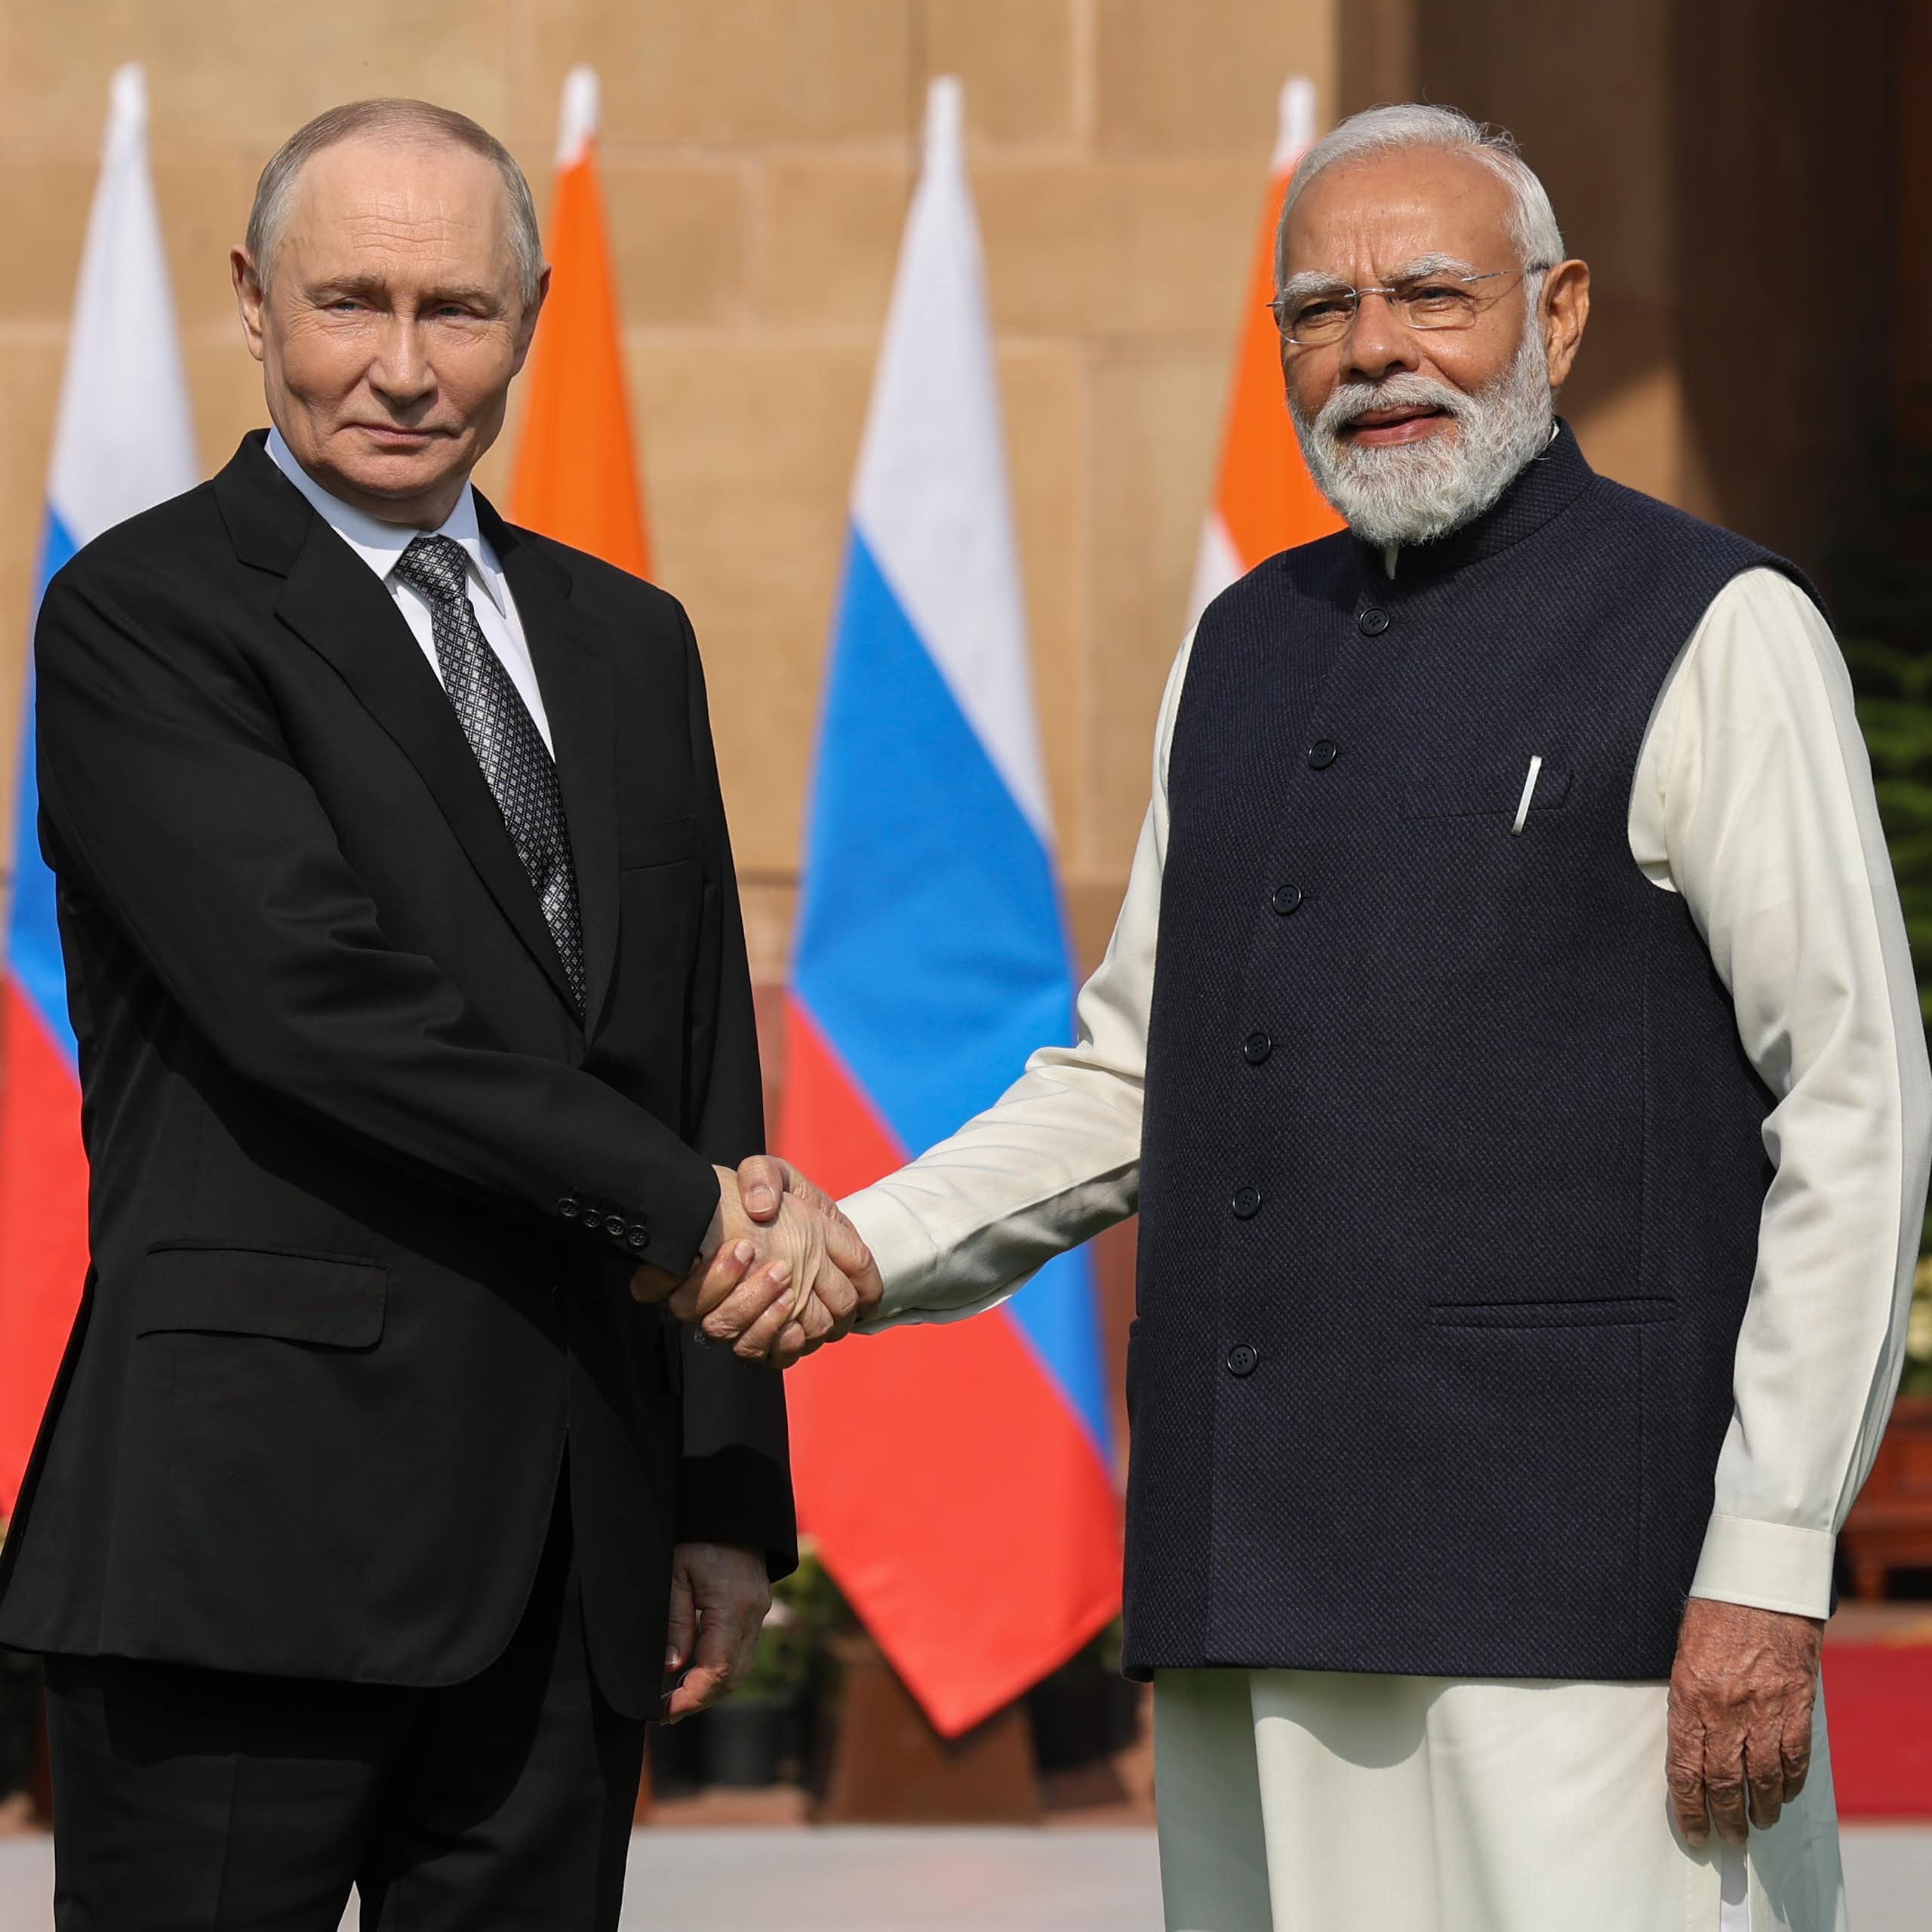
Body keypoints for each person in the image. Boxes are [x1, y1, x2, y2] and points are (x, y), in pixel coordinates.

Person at [705, 103, 1932, 1932]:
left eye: (1431, 294)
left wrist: (1763, 1562)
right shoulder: (1237, 642)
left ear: (1558, 311)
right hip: (1256, 1587)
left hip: (1589, 1617)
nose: (1372, 350)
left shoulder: (1718, 623)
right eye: (1317, 310)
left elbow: (1856, 1100)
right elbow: (1138, 1071)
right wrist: (854, 1249)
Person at [0, 97, 863, 1930]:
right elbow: (320, 1005)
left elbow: (702, 1044)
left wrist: (718, 1482)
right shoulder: (143, 616)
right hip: (249, 1539)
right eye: (351, 303)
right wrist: (705, 1218)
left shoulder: (629, 637)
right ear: (251, 300)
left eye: (457, 311)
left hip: (572, 1549)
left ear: (530, 316)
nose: (401, 368)